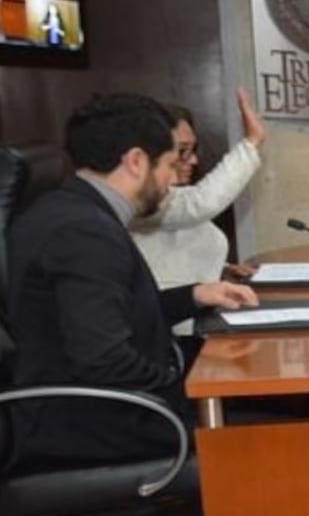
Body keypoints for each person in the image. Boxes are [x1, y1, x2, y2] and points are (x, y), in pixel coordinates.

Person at [5, 93, 258, 470]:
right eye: (171, 164)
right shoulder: (86, 232)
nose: (173, 180)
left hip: (74, 408)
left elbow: (110, 314)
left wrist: (194, 295)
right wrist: (182, 382)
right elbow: (104, 360)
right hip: (94, 423)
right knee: (273, 432)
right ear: (136, 161)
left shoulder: (66, 209)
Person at [130, 88, 264, 297]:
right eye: (182, 151)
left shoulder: (173, 197)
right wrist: (252, 142)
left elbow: (170, 249)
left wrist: (222, 267)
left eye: (192, 150)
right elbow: (200, 203)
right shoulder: (134, 198)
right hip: (167, 317)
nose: (193, 160)